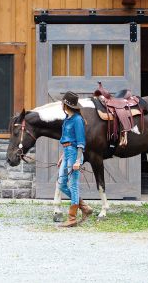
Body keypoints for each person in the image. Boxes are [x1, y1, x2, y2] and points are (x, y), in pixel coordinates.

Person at [57, 91, 93, 227]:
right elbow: (66, 140)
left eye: (62, 103)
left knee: (73, 185)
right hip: (66, 153)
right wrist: (62, 156)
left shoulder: (77, 119)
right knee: (61, 184)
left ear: (66, 105)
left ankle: (72, 219)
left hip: (74, 154)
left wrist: (78, 160)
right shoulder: (67, 119)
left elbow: (80, 142)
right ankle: (84, 207)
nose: (61, 104)